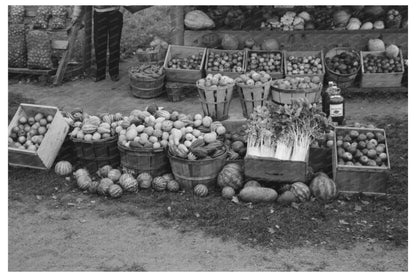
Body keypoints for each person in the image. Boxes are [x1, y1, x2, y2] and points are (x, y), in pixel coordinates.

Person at [71, 6, 150, 82]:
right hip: (99, 14)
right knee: (99, 44)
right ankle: (100, 74)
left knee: (114, 44)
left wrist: (121, 10)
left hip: (115, 13)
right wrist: (76, 15)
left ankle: (114, 73)